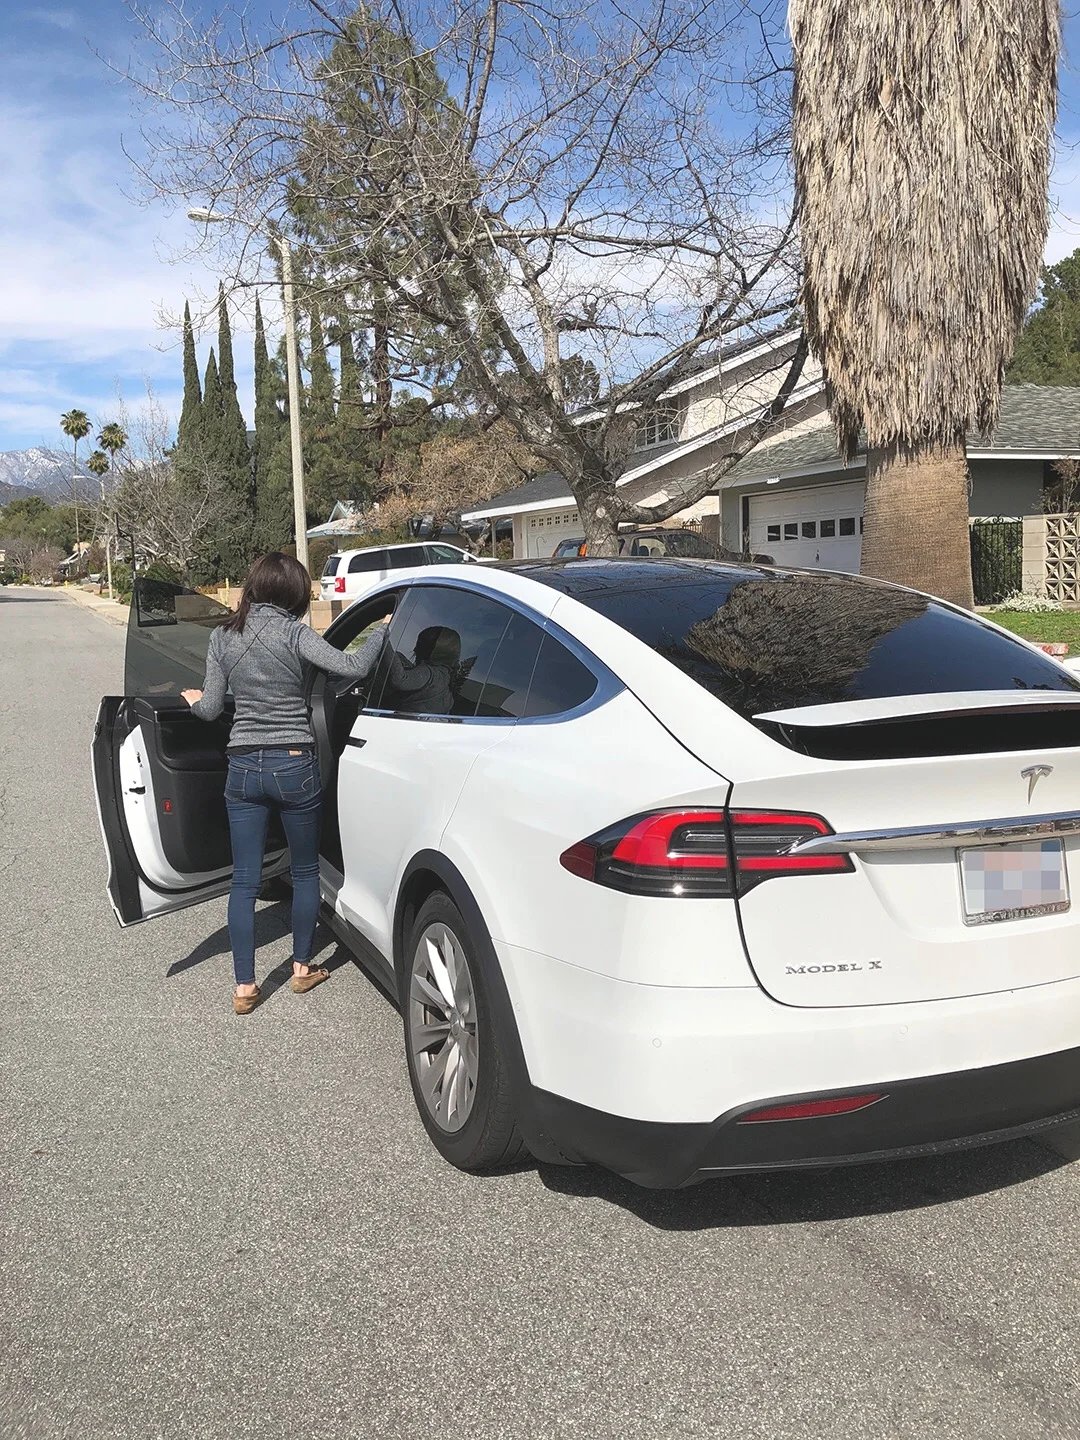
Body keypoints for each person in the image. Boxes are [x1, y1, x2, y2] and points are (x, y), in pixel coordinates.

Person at [181, 552, 390, 1015]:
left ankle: (244, 988)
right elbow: (354, 667)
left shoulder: (222, 636)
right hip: (294, 765)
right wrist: (382, 630)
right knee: (305, 871)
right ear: (293, 592)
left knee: (244, 881)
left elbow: (211, 709)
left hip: (242, 768)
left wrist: (193, 701)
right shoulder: (295, 633)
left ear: (254, 586)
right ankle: (301, 968)